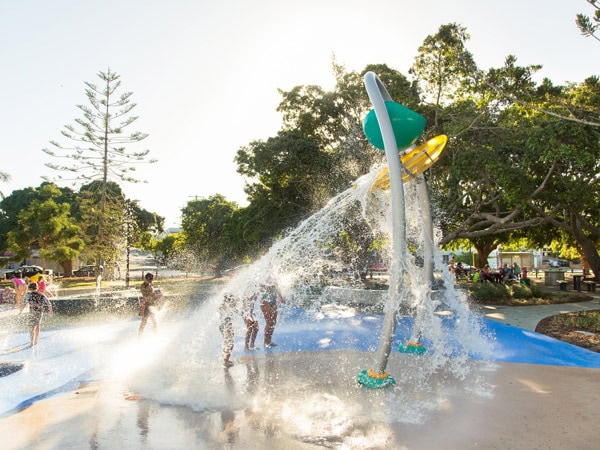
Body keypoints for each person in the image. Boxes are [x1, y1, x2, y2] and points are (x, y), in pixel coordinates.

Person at [19, 282, 53, 348]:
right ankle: (36, 339)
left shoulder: (28, 295)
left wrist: (20, 311)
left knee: (31, 327)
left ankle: (31, 342)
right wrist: (50, 311)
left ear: (29, 288)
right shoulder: (41, 295)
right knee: (37, 325)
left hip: (32, 312)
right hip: (39, 312)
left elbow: (24, 304)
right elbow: (49, 303)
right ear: (37, 288)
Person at [259, 279, 285, 349]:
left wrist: (281, 297)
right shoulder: (262, 276)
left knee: (273, 322)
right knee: (269, 322)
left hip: (273, 300)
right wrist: (268, 286)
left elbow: (277, 286)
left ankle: (269, 341)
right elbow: (260, 288)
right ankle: (266, 342)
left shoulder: (273, 275)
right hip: (265, 300)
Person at [219, 293, 239, 368]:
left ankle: (226, 359)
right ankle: (226, 361)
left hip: (223, 326)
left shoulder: (223, 306)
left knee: (227, 342)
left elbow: (236, 309)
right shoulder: (226, 307)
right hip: (226, 327)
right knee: (230, 343)